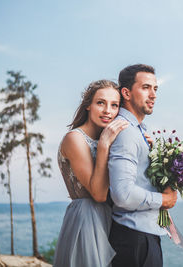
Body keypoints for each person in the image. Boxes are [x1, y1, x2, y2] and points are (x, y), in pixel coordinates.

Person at [54, 80, 129, 267]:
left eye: (114, 105)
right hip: (87, 220)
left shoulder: (112, 139)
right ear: (88, 104)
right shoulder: (74, 139)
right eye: (100, 103)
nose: (107, 111)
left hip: (111, 219)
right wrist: (103, 145)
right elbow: (99, 194)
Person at [108, 64, 178, 267]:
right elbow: (122, 194)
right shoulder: (126, 132)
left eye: (155, 89)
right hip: (134, 241)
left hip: (141, 237)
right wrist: (163, 199)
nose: (153, 95)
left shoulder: (139, 131)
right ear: (126, 93)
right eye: (146, 87)